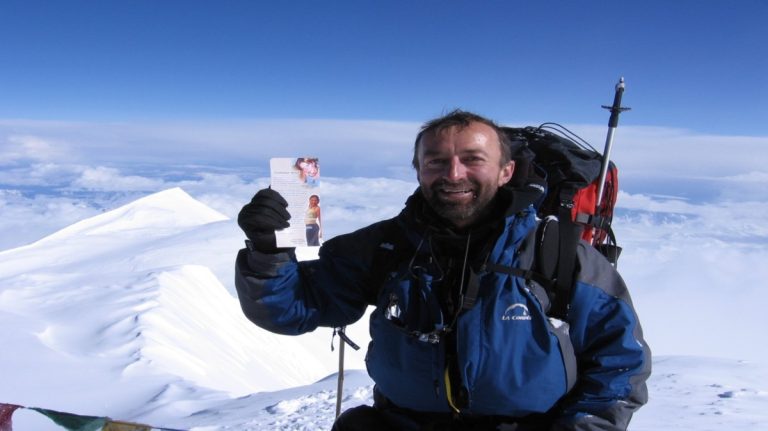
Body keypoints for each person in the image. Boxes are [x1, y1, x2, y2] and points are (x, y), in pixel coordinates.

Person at [235, 110, 651, 430]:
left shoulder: (559, 253)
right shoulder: (386, 245)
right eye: (436, 161)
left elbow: (620, 361)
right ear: (418, 170)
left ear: (506, 171)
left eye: (473, 160)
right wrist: (268, 250)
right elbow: (293, 310)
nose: (453, 174)